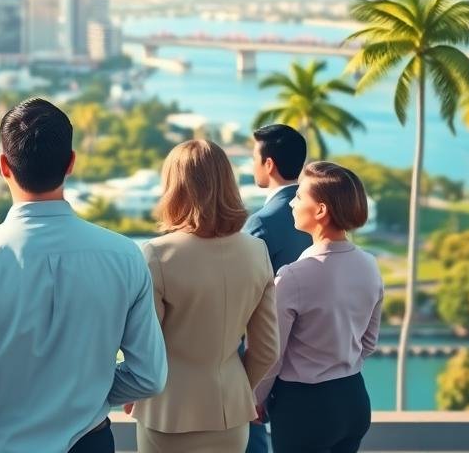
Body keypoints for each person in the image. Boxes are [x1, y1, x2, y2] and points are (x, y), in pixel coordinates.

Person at [0, 98, 167, 453]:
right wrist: (87, 390)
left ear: (4, 166)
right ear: (71, 163)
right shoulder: (124, 255)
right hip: (90, 443)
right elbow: (149, 376)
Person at [130, 140, 279, 453]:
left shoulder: (158, 255)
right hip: (230, 416)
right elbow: (267, 349)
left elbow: (144, 346)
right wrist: (237, 389)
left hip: (167, 412)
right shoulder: (256, 252)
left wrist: (133, 392)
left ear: (174, 187)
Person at [255, 162, 384, 453]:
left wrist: (257, 397)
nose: (292, 204)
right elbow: (369, 342)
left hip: (304, 408)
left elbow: (272, 354)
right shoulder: (370, 265)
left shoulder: (294, 276)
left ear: (321, 211)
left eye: (299, 196)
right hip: (353, 399)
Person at [243, 123, 310, 453]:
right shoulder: (316, 215)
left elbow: (244, 295)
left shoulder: (263, 222)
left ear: (268, 164)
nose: (251, 165)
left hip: (266, 356)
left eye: (254, 157)